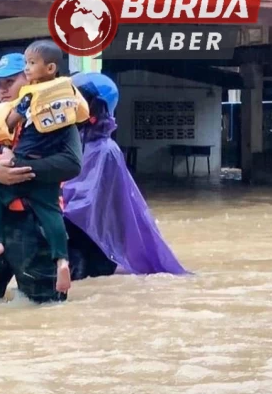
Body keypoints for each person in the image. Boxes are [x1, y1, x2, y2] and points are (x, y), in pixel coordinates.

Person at [0, 51, 83, 304]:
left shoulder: (57, 120)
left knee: (46, 307)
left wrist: (19, 167)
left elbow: (72, 164)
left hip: (35, 227)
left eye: (10, 82)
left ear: (29, 80)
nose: (2, 90)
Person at [64, 72, 189, 279]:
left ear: (95, 106)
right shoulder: (71, 142)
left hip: (91, 247)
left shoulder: (105, 150)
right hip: (71, 242)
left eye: (77, 99)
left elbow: (85, 200)